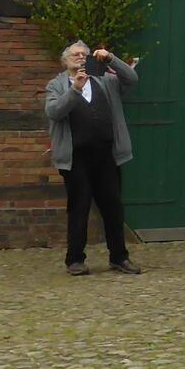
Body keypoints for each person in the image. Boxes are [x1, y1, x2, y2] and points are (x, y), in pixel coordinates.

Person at [43, 41, 142, 275]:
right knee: (79, 207)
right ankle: (75, 259)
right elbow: (54, 112)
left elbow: (131, 79)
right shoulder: (56, 85)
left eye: (84, 55)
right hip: (76, 157)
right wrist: (75, 90)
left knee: (113, 207)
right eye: (75, 55)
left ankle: (119, 257)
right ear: (65, 60)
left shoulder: (105, 81)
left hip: (106, 155)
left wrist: (110, 59)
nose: (80, 57)